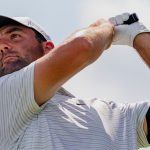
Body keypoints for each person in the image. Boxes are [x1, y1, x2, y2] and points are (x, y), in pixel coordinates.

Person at [0, 13, 150, 150]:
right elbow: (84, 45)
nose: (2, 46)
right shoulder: (4, 95)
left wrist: (139, 36)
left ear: (48, 49)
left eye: (14, 36)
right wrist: (105, 27)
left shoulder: (107, 113)